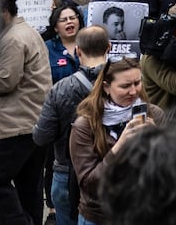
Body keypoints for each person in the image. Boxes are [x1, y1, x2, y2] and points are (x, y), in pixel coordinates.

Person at [0, 0, 53, 225]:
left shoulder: (13, 38)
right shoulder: (23, 31)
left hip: (12, 125)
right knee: (28, 188)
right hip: (31, 123)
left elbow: (4, 81)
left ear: (2, 11)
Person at [68, 55, 167, 225]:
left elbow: (170, 171)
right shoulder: (85, 125)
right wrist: (120, 145)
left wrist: (158, 143)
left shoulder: (154, 114)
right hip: (101, 217)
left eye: (137, 83)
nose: (134, 91)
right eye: (125, 86)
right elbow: (89, 185)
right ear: (106, 87)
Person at [33, 24, 111, 225]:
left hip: (66, 172)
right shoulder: (123, 83)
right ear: (109, 47)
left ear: (78, 51)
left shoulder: (61, 89)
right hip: (113, 172)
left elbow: (41, 137)